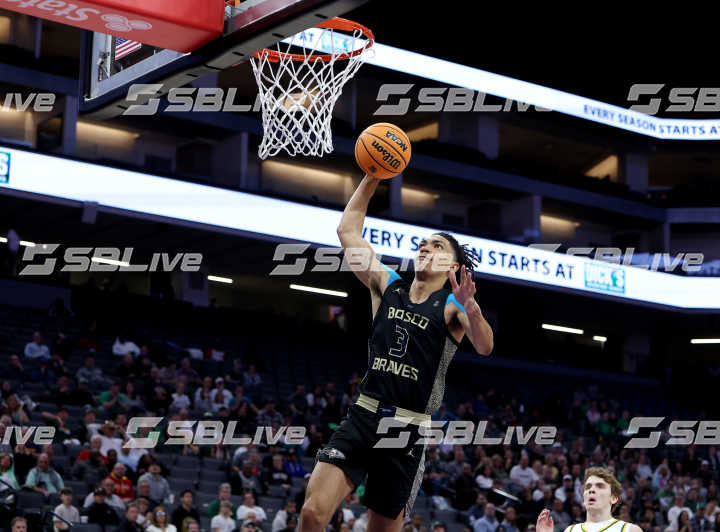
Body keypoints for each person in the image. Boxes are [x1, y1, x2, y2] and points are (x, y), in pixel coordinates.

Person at [299, 175, 494, 532]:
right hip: (364, 414)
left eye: (436, 246)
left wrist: (474, 309)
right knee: (312, 513)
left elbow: (484, 346)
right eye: (422, 244)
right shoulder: (389, 285)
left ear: (454, 267)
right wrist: (373, 177)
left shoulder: (453, 305)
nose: (425, 248)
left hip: (407, 429)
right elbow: (347, 232)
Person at [536, 467, 643, 532]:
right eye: (588, 487)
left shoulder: (630, 530)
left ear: (614, 498)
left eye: (600, 486)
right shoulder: (571, 530)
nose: (591, 490)